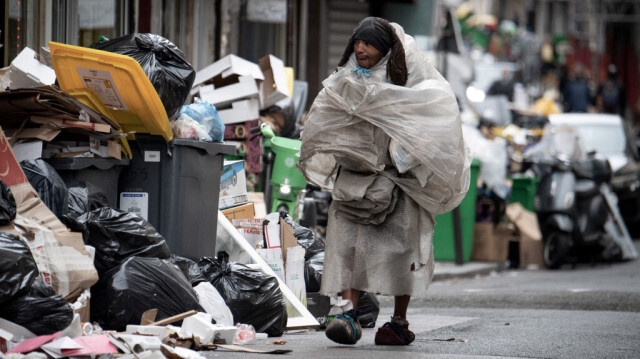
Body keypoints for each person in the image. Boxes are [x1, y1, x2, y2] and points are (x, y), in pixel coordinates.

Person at [298, 17, 470, 346]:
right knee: (350, 245)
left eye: (369, 43)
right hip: (357, 182)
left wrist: (401, 153)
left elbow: (435, 125)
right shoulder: (346, 80)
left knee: (403, 251)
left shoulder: (419, 86)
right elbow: (326, 116)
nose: (360, 48)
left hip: (404, 185)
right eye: (357, 42)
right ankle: (346, 312)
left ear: (387, 50)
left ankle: (398, 322)